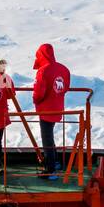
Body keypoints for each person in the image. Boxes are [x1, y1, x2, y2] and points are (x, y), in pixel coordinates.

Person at [32, 43, 71, 179]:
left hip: (46, 110)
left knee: (46, 139)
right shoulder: (63, 69)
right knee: (50, 136)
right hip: (58, 108)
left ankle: (50, 171)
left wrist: (36, 100)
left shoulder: (43, 71)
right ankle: (55, 162)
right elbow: (65, 88)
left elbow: (39, 93)